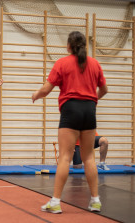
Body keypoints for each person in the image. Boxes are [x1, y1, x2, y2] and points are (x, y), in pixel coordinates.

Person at [32, 31, 108, 213]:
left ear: (68, 46)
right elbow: (104, 89)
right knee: (88, 157)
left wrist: (35, 95)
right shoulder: (95, 64)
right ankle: (95, 201)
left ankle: (56, 202)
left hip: (71, 110)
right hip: (89, 110)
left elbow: (46, 89)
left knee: (65, 157)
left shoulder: (62, 63)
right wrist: (92, 100)